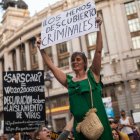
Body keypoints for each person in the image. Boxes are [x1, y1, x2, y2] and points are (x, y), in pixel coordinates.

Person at [36, 17, 113, 140]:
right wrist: (41, 50)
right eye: (72, 60)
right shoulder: (70, 82)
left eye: (78, 60)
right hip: (80, 128)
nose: (74, 62)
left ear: (84, 63)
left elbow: (98, 52)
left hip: (98, 125)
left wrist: (98, 28)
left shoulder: (92, 76)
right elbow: (51, 66)